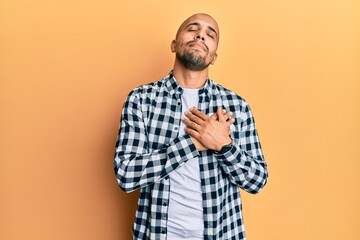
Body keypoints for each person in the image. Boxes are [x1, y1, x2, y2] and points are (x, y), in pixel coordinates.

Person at [114, 13, 268, 240]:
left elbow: (257, 180)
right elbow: (126, 175)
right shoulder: (141, 100)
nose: (200, 35)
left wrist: (224, 145)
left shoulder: (235, 106)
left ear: (214, 56)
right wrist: (193, 143)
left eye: (210, 34)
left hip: (221, 234)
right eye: (192, 29)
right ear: (174, 44)